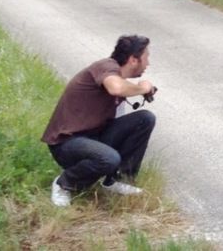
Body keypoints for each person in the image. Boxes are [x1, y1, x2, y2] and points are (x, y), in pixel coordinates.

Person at [41, 35, 157, 207]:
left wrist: (139, 92)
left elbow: (118, 114)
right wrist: (142, 88)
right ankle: (63, 183)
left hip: (93, 137)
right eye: (146, 58)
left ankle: (116, 180)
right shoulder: (106, 67)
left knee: (144, 119)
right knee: (109, 158)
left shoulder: (118, 77)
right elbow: (115, 87)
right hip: (67, 142)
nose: (148, 63)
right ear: (133, 59)